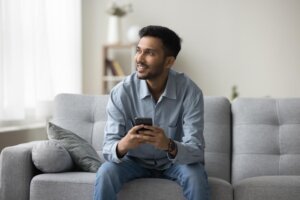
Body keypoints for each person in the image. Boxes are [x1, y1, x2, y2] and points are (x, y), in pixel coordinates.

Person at [93, 25, 210, 200]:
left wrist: (169, 145)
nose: (139, 58)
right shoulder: (121, 92)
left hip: (174, 162)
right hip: (132, 163)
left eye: (149, 53)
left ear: (169, 62)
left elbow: (196, 150)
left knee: (195, 175)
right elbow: (108, 149)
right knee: (105, 172)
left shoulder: (190, 92)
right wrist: (124, 143)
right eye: (138, 51)